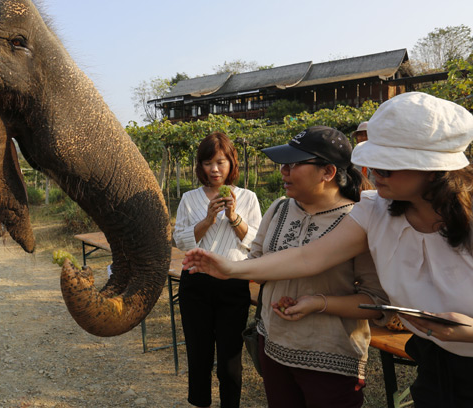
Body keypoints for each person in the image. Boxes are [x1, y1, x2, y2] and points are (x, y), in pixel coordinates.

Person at [182, 92, 473, 407]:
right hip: (433, 360)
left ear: (433, 169)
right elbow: (309, 257)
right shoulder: (376, 210)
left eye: (387, 167)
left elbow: (371, 298)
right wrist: (230, 268)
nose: (373, 174)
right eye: (372, 164)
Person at [250, 125, 387, 408]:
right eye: (283, 164)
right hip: (273, 346)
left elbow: (376, 302)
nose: (284, 171)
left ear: (328, 172)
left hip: (330, 360)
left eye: (294, 164)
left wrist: (318, 302)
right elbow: (255, 264)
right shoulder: (279, 208)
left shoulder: (358, 221)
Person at [173, 132, 262, 408]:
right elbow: (180, 240)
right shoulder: (190, 199)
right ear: (200, 166)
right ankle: (200, 402)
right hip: (195, 284)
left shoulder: (248, 198)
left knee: (230, 360)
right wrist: (209, 219)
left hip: (232, 284)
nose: (214, 169)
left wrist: (233, 217)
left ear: (231, 163)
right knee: (198, 356)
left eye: (220, 162)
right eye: (208, 162)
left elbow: (255, 243)